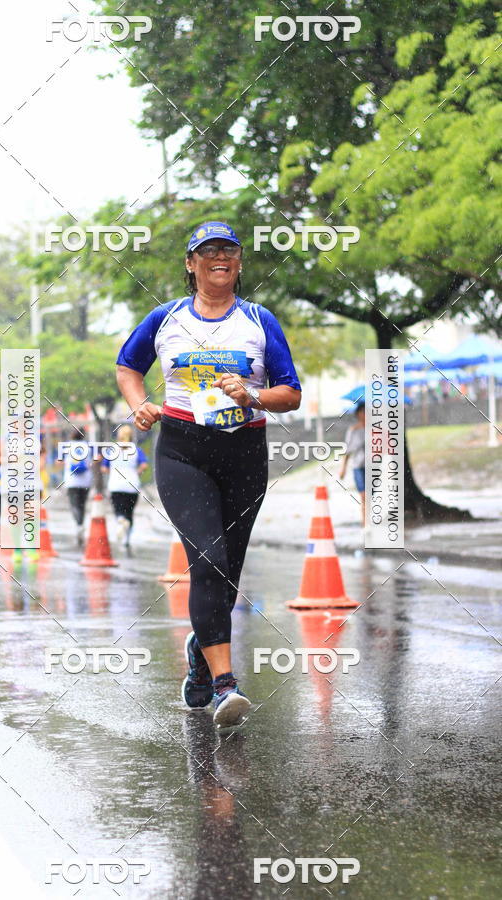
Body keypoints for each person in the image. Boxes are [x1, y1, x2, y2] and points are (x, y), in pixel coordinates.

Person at [115, 221, 301, 728]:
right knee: (208, 559)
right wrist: (140, 404)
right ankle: (225, 685)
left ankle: (202, 649)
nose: (220, 257)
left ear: (239, 263)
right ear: (191, 263)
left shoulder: (260, 321)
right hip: (182, 451)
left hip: (244, 452)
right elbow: (127, 366)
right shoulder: (165, 317)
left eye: (229, 250)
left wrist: (252, 393)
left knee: (228, 573)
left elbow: (291, 392)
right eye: (209, 250)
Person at [101, 424, 148, 548]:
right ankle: (127, 538)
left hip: (116, 485)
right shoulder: (136, 449)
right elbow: (144, 465)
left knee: (118, 509)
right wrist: (136, 471)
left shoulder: (112, 450)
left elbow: (104, 468)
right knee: (130, 512)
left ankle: (120, 519)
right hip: (132, 486)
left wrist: (113, 471)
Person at [64, 428, 93, 547]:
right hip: (86, 481)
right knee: (82, 504)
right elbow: (91, 462)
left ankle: (79, 524)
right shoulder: (87, 446)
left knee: (74, 504)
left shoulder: (67, 446)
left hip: (72, 481)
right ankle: (80, 524)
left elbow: (60, 461)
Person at [339, 401, 366, 526]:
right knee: (363, 495)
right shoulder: (353, 430)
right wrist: (343, 468)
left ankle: (370, 521)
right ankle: (365, 523)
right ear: (358, 414)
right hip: (358, 467)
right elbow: (347, 450)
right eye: (362, 412)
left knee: (371, 496)